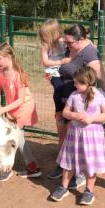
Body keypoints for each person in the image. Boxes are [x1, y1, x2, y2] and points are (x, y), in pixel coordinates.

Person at [47, 23, 105, 189]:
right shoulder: (71, 47)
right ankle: (65, 165)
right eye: (67, 42)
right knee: (64, 133)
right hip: (66, 96)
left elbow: (101, 78)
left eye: (70, 43)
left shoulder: (89, 53)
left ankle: (80, 173)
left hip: (80, 101)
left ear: (82, 39)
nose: (67, 45)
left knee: (80, 138)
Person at [50, 66, 105, 205]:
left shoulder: (99, 96)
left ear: (87, 82)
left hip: (92, 137)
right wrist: (75, 115)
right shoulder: (74, 95)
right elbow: (65, 112)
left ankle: (88, 191)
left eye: (77, 82)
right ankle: (63, 187)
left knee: (90, 163)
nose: (74, 84)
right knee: (69, 162)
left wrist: (92, 119)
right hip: (74, 135)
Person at [0, 42, 42, 181]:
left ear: (7, 56)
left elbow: (20, 100)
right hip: (11, 107)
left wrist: (1, 110)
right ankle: (30, 167)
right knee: (17, 137)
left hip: (24, 108)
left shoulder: (18, 74)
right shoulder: (1, 71)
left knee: (15, 138)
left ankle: (12, 168)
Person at [39, 19, 71, 148]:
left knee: (67, 88)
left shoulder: (64, 41)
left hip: (64, 70)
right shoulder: (45, 45)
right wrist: (61, 62)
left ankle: (68, 110)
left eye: (46, 35)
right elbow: (45, 62)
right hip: (53, 70)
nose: (44, 38)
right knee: (58, 88)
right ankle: (59, 110)